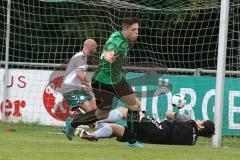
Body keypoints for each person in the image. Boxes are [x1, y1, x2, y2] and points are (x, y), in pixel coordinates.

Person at [65, 17, 141, 147]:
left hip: (117, 80)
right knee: (102, 114)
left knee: (135, 106)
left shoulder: (122, 37)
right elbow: (109, 50)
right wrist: (108, 56)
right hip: (102, 81)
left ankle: (132, 141)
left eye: (137, 30)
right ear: (126, 30)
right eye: (133, 30)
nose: (137, 32)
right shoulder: (115, 40)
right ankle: (72, 123)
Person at [78, 107, 215, 146]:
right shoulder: (192, 142)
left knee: (126, 111)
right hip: (150, 139)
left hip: (156, 130)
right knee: (116, 129)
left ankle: (93, 120)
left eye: (200, 120)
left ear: (201, 127)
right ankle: (93, 135)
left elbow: (169, 114)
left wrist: (176, 108)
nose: (197, 120)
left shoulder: (190, 123)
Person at [61, 39, 98, 115]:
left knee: (95, 106)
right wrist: (88, 83)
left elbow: (78, 76)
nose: (96, 50)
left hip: (78, 87)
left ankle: (94, 122)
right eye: (95, 48)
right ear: (90, 46)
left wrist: (83, 85)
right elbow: (79, 74)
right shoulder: (81, 57)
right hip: (70, 89)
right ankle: (72, 120)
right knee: (88, 108)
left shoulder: (82, 57)